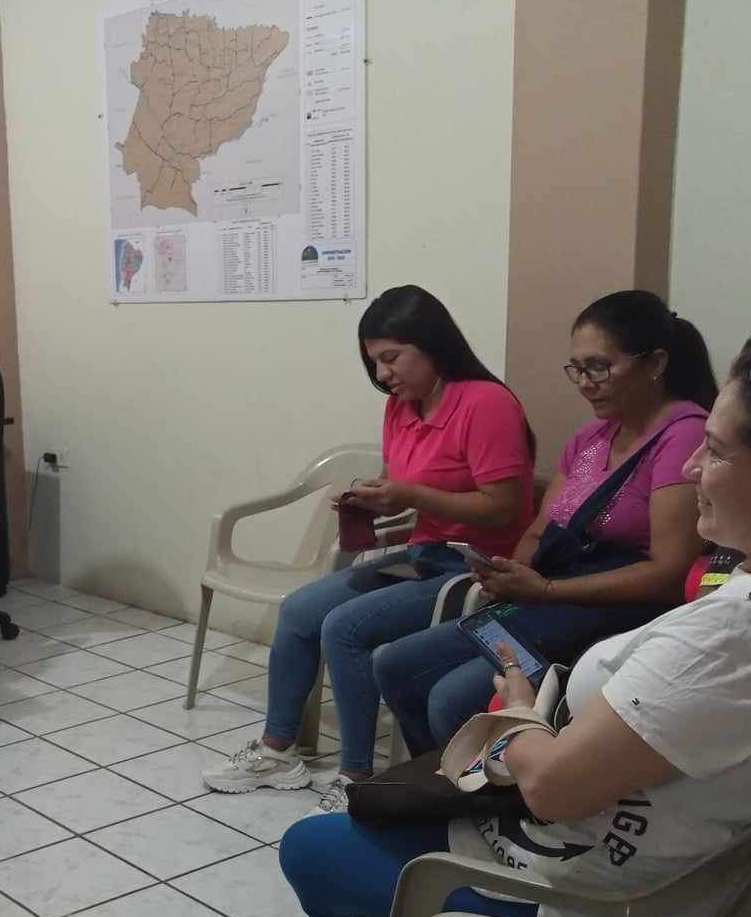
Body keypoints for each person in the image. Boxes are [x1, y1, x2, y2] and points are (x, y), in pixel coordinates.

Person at [279, 319, 751, 917]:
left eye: (718, 451)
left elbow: (553, 789)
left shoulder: (749, 634)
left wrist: (520, 712)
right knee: (383, 694)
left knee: (310, 849)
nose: (694, 465)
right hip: (653, 875)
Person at [203, 285, 535, 795]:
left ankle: (357, 776)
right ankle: (277, 752)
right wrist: (374, 500)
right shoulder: (401, 407)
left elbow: (503, 507)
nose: (382, 374)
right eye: (374, 362)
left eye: (391, 358)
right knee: (298, 611)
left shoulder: (486, 404)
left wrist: (411, 495)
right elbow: (404, 488)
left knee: (344, 628)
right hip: (424, 555)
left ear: (432, 344)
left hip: (476, 570)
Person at [374, 290, 713, 758]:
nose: (585, 383)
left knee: (451, 699)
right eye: (577, 369)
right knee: (395, 664)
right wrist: (509, 574)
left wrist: (548, 590)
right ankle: (441, 783)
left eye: (599, 368)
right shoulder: (591, 437)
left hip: (617, 614)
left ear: (655, 363)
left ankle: (490, 790)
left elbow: (669, 572)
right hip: (550, 600)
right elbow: (538, 529)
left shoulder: (684, 435)